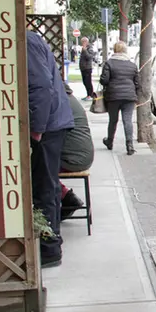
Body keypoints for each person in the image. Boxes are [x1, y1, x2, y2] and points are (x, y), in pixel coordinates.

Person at [27, 30, 74, 268]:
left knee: (44, 187)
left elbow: (40, 88)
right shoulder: (30, 39)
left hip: (48, 126)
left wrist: (36, 128)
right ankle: (51, 242)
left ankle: (49, 248)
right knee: (48, 185)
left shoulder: (24, 41)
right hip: (52, 123)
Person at [60, 83, 94, 220]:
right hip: (83, 156)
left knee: (35, 169)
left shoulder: (60, 100)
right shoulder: (69, 98)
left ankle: (65, 198)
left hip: (74, 159)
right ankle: (66, 196)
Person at [100, 41, 140, 156]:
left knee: (113, 120)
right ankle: (130, 145)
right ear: (125, 50)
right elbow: (137, 83)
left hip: (113, 96)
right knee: (127, 120)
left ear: (114, 50)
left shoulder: (109, 63)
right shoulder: (132, 65)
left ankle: (110, 141)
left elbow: (104, 80)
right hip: (129, 97)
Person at [79, 37, 96, 101]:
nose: (82, 43)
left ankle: (91, 95)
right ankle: (88, 94)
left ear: (86, 42)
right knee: (85, 82)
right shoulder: (84, 48)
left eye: (83, 42)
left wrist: (85, 50)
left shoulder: (90, 48)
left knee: (88, 82)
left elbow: (89, 57)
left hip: (87, 68)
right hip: (83, 68)